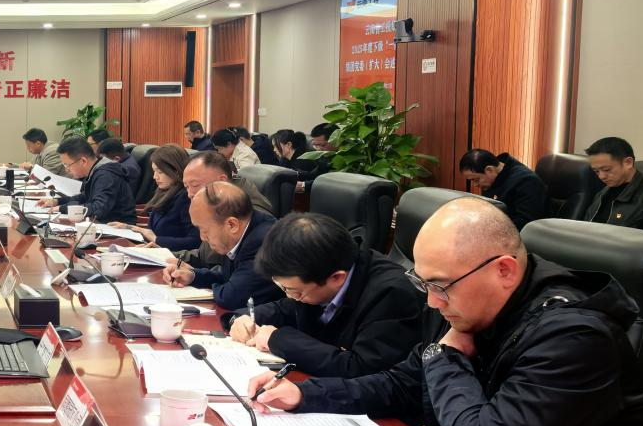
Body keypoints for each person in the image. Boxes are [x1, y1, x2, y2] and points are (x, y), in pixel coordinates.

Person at [250, 198, 643, 426]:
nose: (432, 303)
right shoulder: (471, 302)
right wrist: (307, 394)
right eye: (424, 283)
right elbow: (402, 382)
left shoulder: (574, 338)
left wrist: (445, 357)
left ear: (504, 271)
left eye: (440, 286)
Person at [227, 213, 421, 377]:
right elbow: (286, 309)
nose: (290, 296)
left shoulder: (391, 295)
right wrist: (240, 318)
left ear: (336, 278)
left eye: (293, 291)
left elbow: (360, 368)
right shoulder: (317, 271)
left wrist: (278, 340)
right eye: (282, 287)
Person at [164, 181, 281, 309]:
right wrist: (193, 276)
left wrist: (214, 290)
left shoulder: (263, 242)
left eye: (205, 230)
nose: (202, 237)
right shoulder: (240, 232)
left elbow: (232, 297)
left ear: (232, 225)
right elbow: (229, 277)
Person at [110, 145, 198, 251]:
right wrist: (128, 227)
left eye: (160, 172)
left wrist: (157, 240)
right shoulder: (163, 192)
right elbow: (152, 232)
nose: (155, 177)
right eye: (154, 171)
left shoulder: (187, 198)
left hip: (174, 258)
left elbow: (195, 242)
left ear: (176, 170)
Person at [50, 137, 136, 223]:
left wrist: (62, 209)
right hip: (102, 223)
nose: (66, 170)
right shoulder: (96, 170)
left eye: (67, 165)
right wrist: (57, 202)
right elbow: (85, 197)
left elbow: (99, 209)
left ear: (83, 161)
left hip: (118, 227)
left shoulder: (105, 175)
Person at [458, 149, 550, 229]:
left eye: (476, 180)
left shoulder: (527, 181)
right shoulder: (493, 177)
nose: (475, 185)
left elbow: (524, 224)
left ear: (489, 169)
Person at [584, 136, 643, 229]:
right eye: (596, 171)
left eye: (606, 169)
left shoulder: (642, 196)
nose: (601, 176)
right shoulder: (602, 193)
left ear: (628, 163)